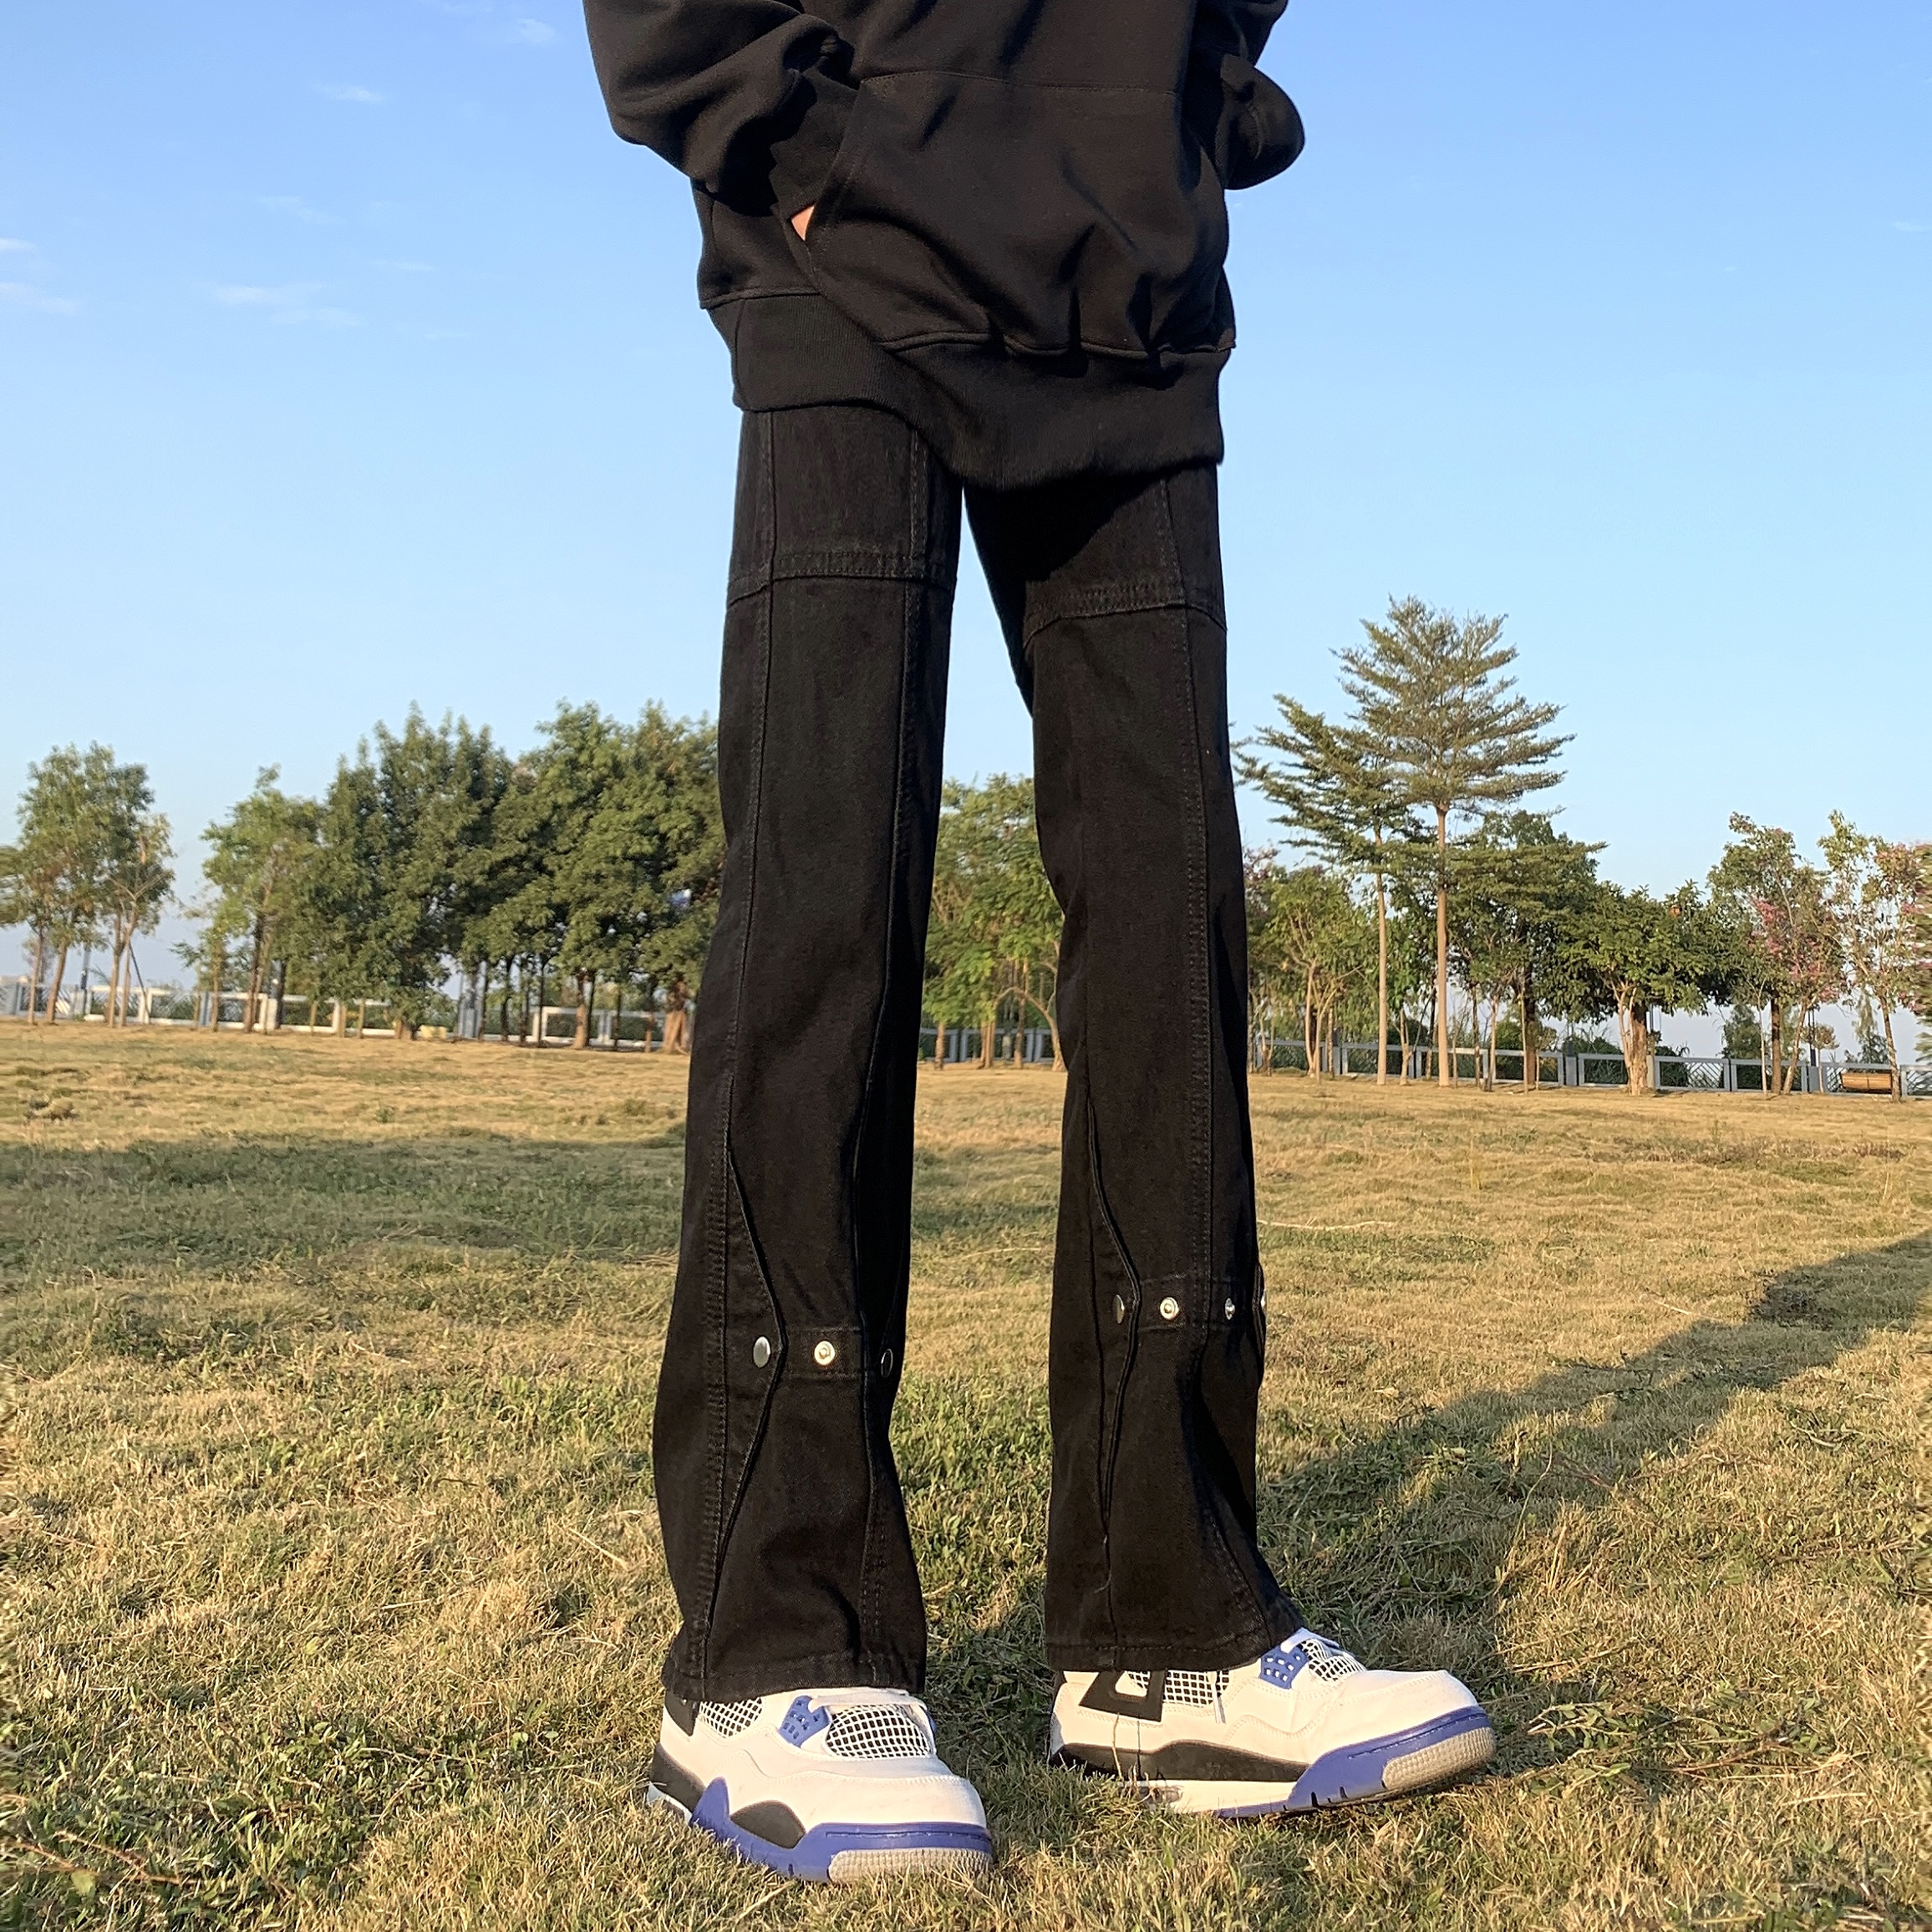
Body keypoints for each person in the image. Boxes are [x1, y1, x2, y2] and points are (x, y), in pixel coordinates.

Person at [583, 0, 1495, 1884]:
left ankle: (1171, 1627)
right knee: (826, 910)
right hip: (851, 265)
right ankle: (773, 1649)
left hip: (1126, 299)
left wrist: (1180, 106)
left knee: (1173, 933)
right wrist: (789, 135)